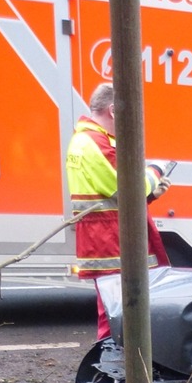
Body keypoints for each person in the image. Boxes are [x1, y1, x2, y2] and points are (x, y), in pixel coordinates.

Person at [66, 82, 171, 341]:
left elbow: (111, 197)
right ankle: (110, 372)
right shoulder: (94, 142)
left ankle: (111, 369)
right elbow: (127, 186)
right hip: (111, 243)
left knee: (112, 312)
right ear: (113, 110)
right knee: (115, 316)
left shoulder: (84, 140)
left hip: (104, 241)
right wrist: (155, 171)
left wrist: (149, 197)